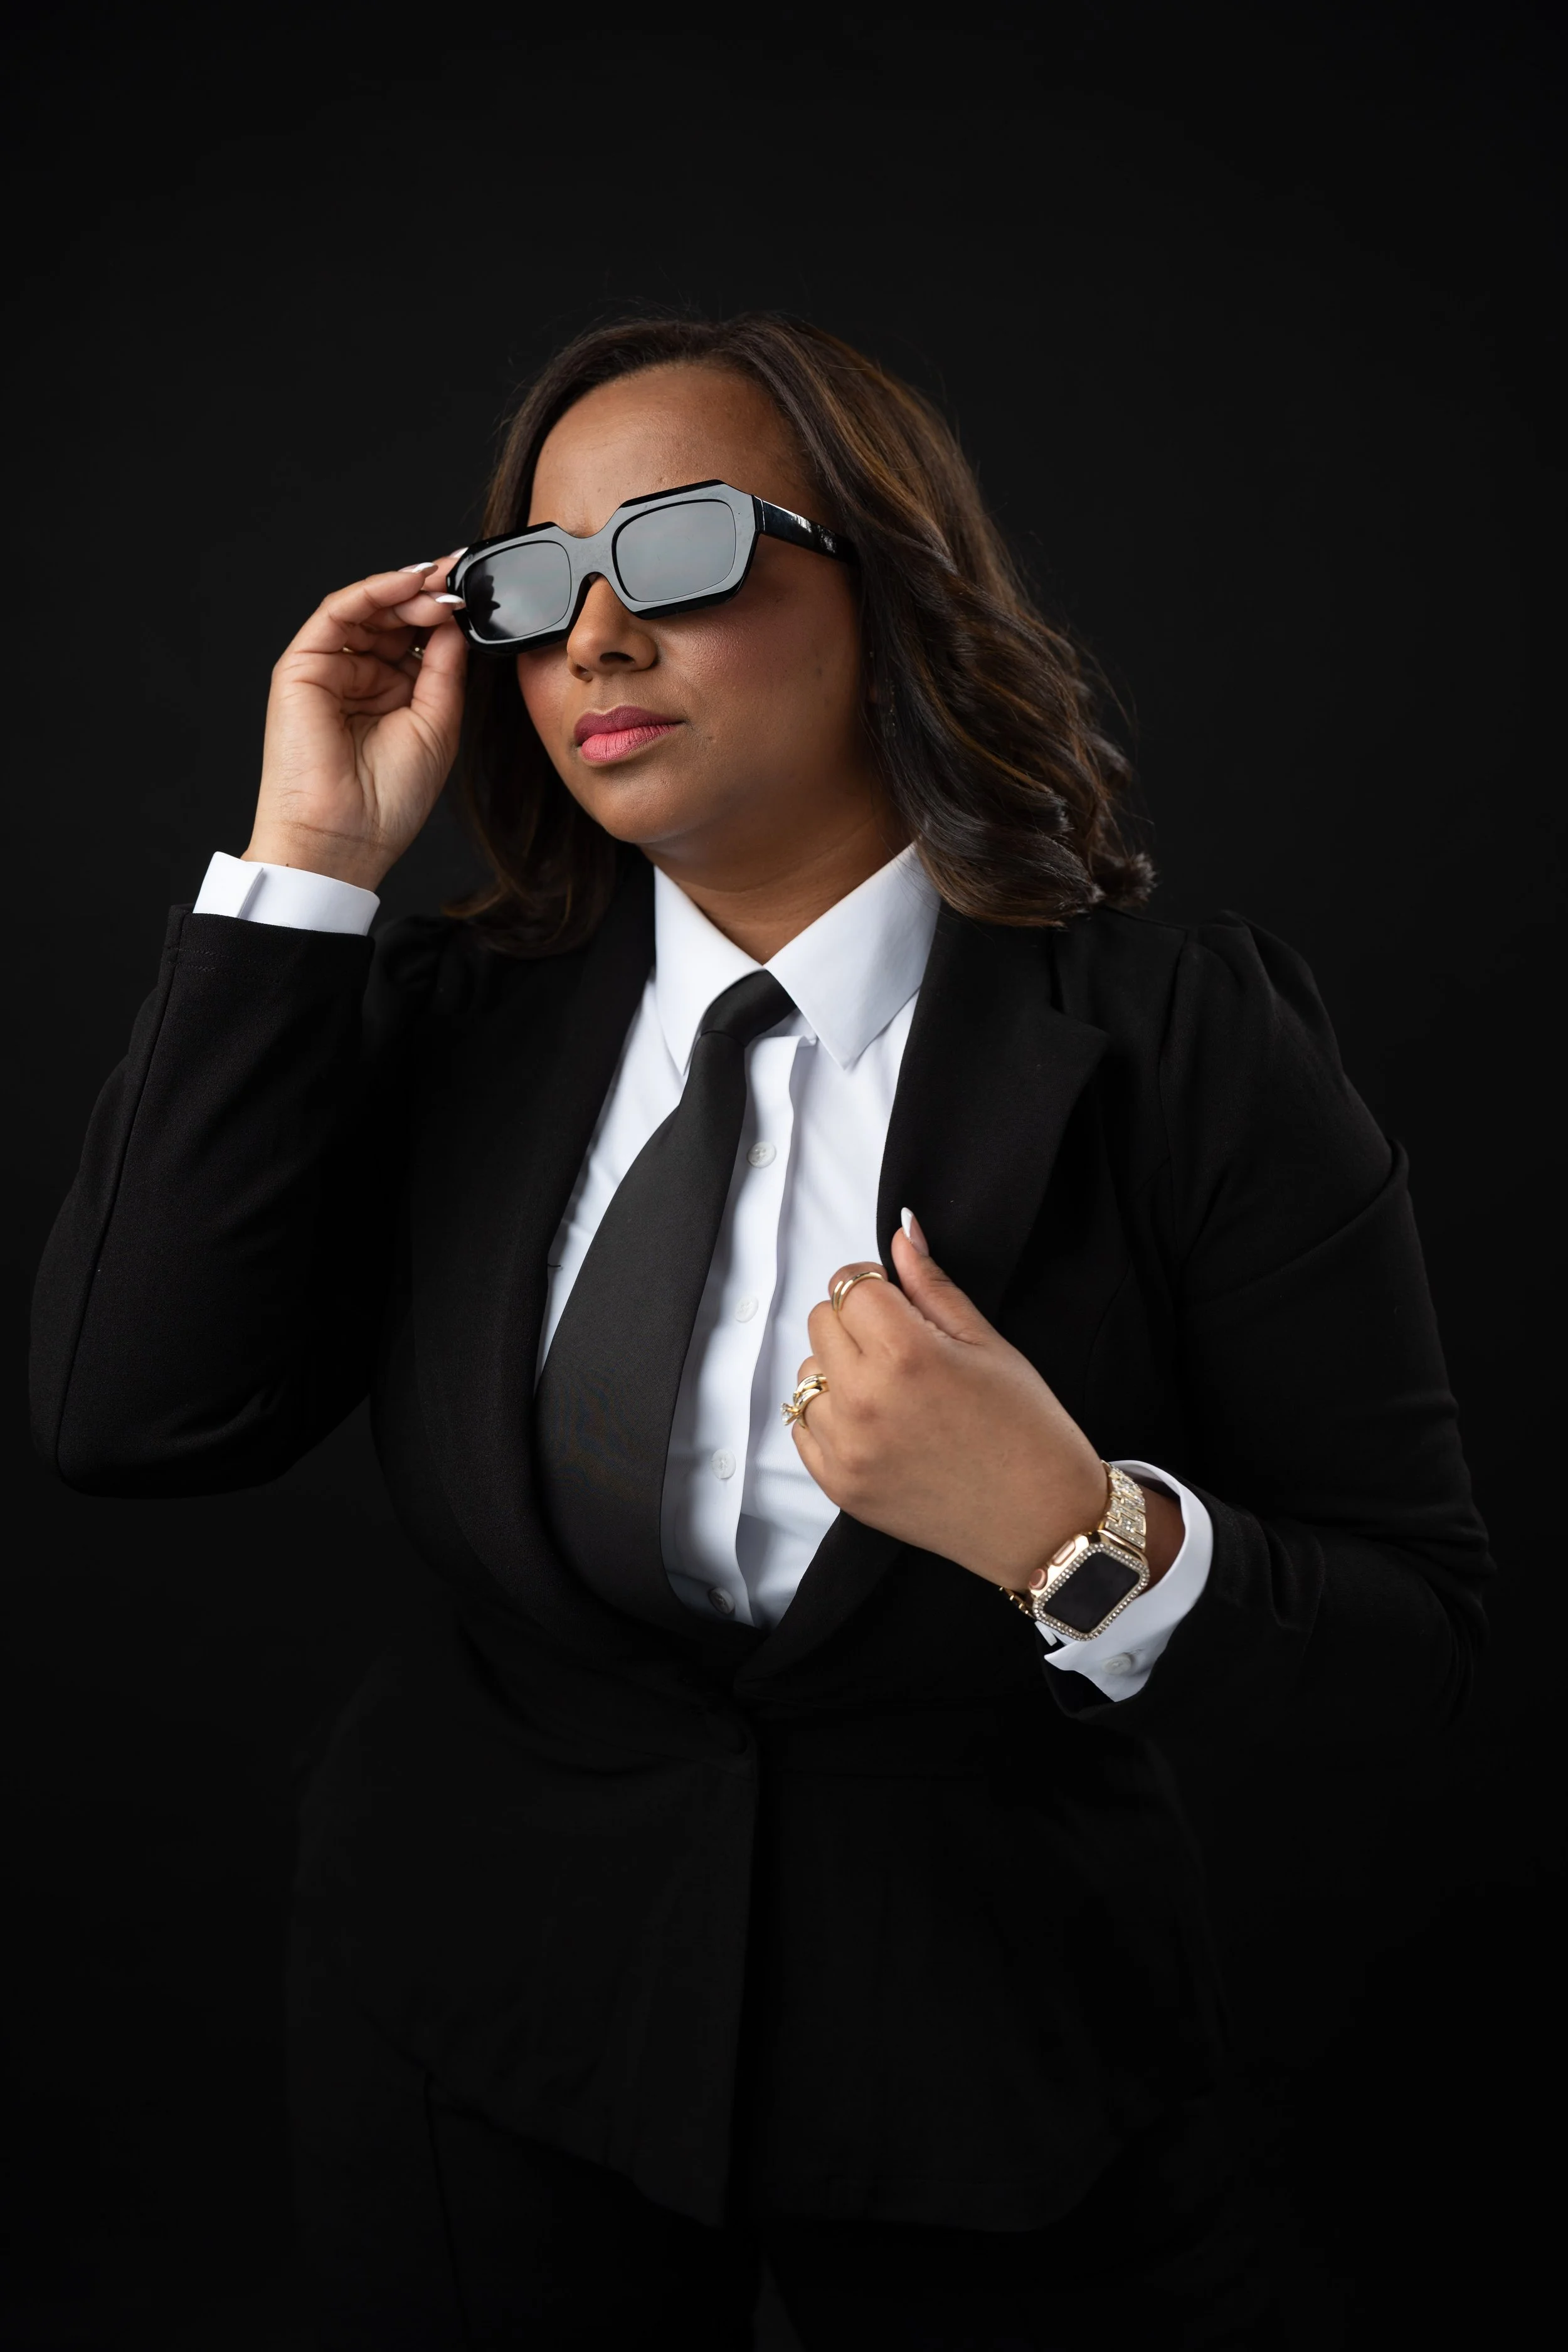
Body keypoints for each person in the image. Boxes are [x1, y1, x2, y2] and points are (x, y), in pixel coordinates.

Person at [30, 314, 1491, 2351]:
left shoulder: (1183, 1043)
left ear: (885, 589)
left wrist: (1078, 1532)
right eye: (536, 587)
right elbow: (132, 1409)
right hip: (474, 2032)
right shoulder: (451, 1026)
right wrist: (308, 863)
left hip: (1004, 2077)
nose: (597, 638)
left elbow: (1425, 1651)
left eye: (688, 546)